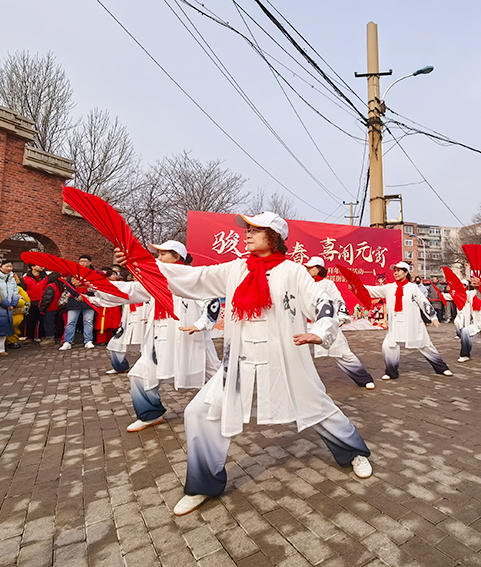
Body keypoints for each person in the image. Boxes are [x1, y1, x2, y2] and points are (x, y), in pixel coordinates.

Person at [124, 212, 372, 516]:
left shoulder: (294, 272)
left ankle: (355, 453)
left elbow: (323, 304)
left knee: (317, 407)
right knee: (200, 412)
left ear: (274, 236)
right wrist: (145, 265)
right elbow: (195, 278)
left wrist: (319, 332)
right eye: (247, 229)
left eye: (255, 229)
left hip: (284, 357)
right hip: (240, 361)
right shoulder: (236, 268)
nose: (246, 233)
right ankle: (203, 483)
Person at [94, 241, 222, 433]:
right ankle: (150, 414)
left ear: (177, 257)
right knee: (139, 376)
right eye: (157, 254)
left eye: (162, 254)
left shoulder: (192, 277)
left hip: (188, 336)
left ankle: (229, 406)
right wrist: (94, 286)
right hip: (159, 338)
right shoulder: (155, 280)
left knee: (215, 375)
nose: (158, 258)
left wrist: (200, 324)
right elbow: (129, 291)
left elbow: (212, 301)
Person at [364, 261, 452, 380]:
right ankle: (391, 372)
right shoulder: (389, 287)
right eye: (394, 270)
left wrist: (433, 317)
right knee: (388, 346)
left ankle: (442, 368)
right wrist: (356, 287)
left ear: (406, 273)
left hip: (412, 322)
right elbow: (372, 290)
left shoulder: (413, 287)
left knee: (425, 345)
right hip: (395, 322)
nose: (396, 273)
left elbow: (423, 301)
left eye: (399, 270)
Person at [303, 256, 376, 389]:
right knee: (299, 354)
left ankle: (364, 379)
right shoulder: (303, 284)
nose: (307, 269)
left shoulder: (328, 284)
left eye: (310, 267)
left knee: (343, 353)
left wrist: (341, 318)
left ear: (319, 269)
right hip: (307, 325)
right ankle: (300, 384)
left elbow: (338, 300)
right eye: (306, 267)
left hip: (325, 323)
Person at [60, 254, 97, 351]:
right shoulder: (72, 272)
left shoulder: (94, 273)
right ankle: (67, 341)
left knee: (88, 321)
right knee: (71, 321)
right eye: (81, 261)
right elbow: (68, 285)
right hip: (74, 300)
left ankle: (88, 340)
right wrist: (77, 295)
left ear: (90, 263)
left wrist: (86, 295)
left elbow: (96, 286)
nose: (83, 263)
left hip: (88, 300)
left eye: (85, 261)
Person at [22, 264, 47, 342]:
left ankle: (42, 336)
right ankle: (30, 337)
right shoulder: (25, 279)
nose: (41, 266)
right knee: (30, 320)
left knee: (43, 320)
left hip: (43, 302)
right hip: (31, 302)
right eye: (38, 265)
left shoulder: (46, 278)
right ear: (32, 267)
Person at [38, 272, 65, 346]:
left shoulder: (50, 286)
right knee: (55, 323)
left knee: (49, 324)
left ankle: (49, 338)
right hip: (57, 307)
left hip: (50, 308)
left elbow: (46, 299)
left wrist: (42, 308)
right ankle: (54, 336)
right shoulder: (60, 286)